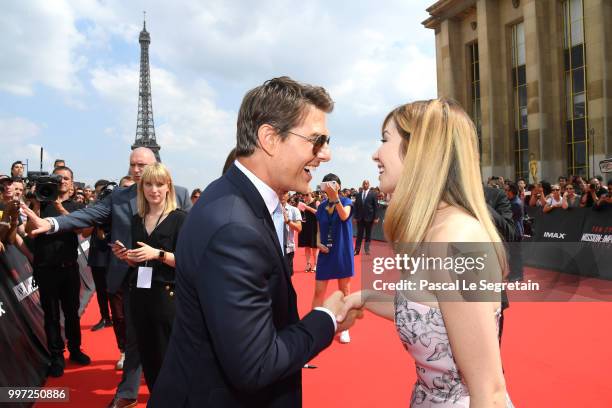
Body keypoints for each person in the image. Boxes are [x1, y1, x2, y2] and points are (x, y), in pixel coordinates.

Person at [150, 76, 362, 408]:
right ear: (269, 138)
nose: (326, 155)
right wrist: (325, 318)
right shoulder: (235, 227)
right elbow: (256, 364)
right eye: (316, 140)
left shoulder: (235, 199)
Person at [341, 98, 513, 407]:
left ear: (420, 150)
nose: (375, 154)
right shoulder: (435, 230)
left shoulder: (456, 237)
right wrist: (363, 297)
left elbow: (489, 391)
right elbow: (429, 315)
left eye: (384, 140)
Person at [23, 147, 192, 408]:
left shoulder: (179, 194)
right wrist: (53, 223)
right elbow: (87, 215)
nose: (136, 170)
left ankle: (172, 392)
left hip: (170, 284)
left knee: (169, 342)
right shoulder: (119, 197)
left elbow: (192, 241)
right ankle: (128, 392)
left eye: (142, 165)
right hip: (132, 277)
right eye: (132, 165)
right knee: (135, 337)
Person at [112, 163, 186, 390]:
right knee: (148, 354)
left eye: (159, 184)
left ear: (168, 187)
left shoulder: (180, 218)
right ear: (141, 188)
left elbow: (188, 262)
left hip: (168, 297)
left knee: (168, 356)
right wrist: (127, 257)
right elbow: (140, 261)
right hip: (140, 294)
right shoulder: (137, 219)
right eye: (148, 184)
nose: (154, 189)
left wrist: (158, 254)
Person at [25, 166, 91, 377]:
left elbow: (80, 230)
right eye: (58, 178)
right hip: (45, 270)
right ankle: (56, 356)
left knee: (72, 313)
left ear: (72, 183)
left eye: (66, 178)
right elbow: (29, 232)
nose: (62, 181)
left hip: (69, 269)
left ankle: (75, 350)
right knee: (51, 315)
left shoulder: (76, 206)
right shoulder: (40, 203)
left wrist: (60, 207)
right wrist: (36, 205)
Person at [313, 173, 354, 344]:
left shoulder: (346, 202)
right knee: (318, 291)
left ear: (338, 185)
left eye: (333, 184)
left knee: (344, 291)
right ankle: (313, 325)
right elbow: (318, 230)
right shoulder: (321, 207)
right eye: (327, 184)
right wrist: (317, 243)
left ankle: (345, 328)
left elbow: (344, 216)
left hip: (342, 251)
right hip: (325, 253)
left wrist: (336, 198)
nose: (329, 187)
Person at [353, 179, 379, 256]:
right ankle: (356, 250)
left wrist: (376, 217)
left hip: (369, 218)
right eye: (364, 184)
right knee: (359, 235)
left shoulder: (373, 194)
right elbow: (355, 207)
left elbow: (376, 207)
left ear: (369, 185)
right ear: (362, 185)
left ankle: (367, 250)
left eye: (366, 184)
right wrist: (354, 217)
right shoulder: (358, 195)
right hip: (360, 218)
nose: (365, 185)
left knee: (368, 235)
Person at [279, 192, 302, 275]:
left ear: (288, 195)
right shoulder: (270, 210)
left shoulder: (294, 210)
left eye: (284, 193)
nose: (281, 195)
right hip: (274, 248)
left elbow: (299, 228)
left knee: (287, 276)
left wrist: (288, 221)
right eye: (279, 193)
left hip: (288, 248)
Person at [297, 191, 319, 272]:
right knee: (306, 246)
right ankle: (308, 264)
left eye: (307, 195)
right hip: (305, 226)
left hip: (314, 226)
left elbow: (318, 213)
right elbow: (299, 214)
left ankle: (316, 264)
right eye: (304, 195)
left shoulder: (316, 201)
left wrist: (307, 207)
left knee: (314, 247)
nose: (305, 196)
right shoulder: (302, 203)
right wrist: (299, 209)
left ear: (311, 194)